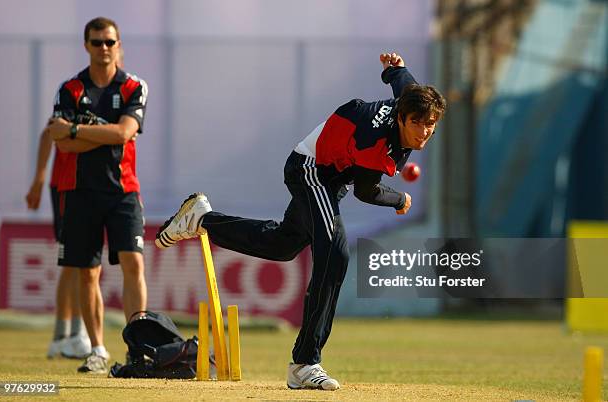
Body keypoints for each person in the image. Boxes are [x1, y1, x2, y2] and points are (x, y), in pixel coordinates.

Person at [155, 52, 446, 390]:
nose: (424, 132)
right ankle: (306, 362)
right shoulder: (375, 144)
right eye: (418, 124)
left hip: (334, 175)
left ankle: (202, 219)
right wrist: (400, 199)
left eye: (431, 125)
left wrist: (394, 68)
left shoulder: (411, 100)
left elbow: (402, 80)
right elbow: (367, 192)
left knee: (282, 245)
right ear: (400, 118)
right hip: (311, 168)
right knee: (335, 255)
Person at [46, 16, 148, 374]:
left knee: (133, 263)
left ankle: (139, 348)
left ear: (119, 45)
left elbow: (123, 134)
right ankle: (98, 349)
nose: (103, 48)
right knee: (87, 273)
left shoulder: (135, 86)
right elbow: (59, 142)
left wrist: (78, 129)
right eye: (96, 42)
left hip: (123, 190)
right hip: (79, 192)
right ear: (86, 45)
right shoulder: (70, 88)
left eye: (109, 42)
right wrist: (94, 133)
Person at [26, 125, 92, 359]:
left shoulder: (109, 92)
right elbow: (48, 133)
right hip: (67, 184)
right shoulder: (73, 90)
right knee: (74, 260)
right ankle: (71, 334)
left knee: (81, 261)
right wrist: (39, 181)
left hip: (96, 186)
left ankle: (64, 335)